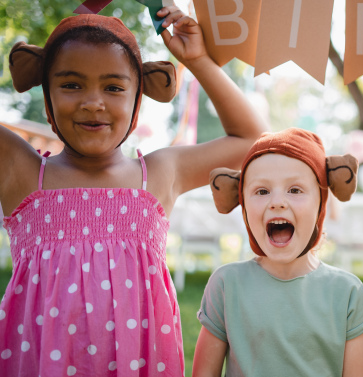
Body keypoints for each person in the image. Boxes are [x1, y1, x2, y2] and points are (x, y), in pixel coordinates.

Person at [0, 5, 266, 376]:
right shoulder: (22, 171)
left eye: (113, 87)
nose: (93, 102)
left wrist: (199, 60)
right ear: (46, 97)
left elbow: (251, 138)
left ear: (138, 100)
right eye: (71, 84)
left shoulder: (159, 174)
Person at [194, 127, 363, 376]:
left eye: (295, 190)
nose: (277, 201)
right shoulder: (226, 286)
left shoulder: (347, 293)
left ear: (321, 203)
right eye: (262, 191)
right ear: (243, 203)